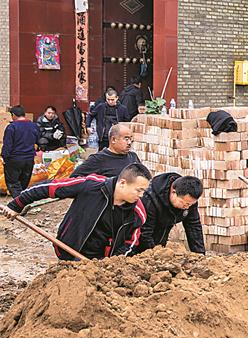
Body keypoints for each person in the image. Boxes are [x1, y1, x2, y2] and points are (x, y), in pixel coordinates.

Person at [2, 163, 150, 260]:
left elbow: (130, 243)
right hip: (69, 249)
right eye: (139, 190)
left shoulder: (137, 212)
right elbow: (48, 188)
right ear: (123, 183)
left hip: (99, 263)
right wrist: (16, 205)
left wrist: (109, 264)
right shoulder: (91, 186)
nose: (141, 195)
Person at [137, 173, 205, 254]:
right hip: (138, 236)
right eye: (184, 203)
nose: (187, 207)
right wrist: (153, 255)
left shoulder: (189, 200)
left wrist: (200, 255)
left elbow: (193, 226)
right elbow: (145, 232)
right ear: (173, 192)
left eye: (190, 204)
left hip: (162, 231)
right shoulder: (150, 198)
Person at [71, 124, 142, 177]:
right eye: (126, 139)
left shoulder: (133, 157)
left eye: (130, 139)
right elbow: (74, 178)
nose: (129, 143)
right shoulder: (98, 159)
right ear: (113, 140)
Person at [2, 106, 40, 198]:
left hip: (14, 159)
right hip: (29, 159)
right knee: (24, 182)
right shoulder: (34, 126)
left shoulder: (12, 127)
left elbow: (7, 145)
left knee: (13, 183)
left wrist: (4, 157)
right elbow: (38, 141)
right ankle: (22, 200)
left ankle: (19, 204)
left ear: (13, 115)